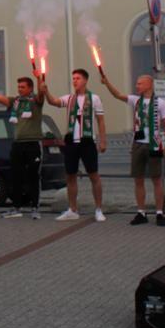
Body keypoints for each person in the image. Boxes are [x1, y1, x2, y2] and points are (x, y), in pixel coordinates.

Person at [99, 69, 165, 226]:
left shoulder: (160, 102)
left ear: (149, 84)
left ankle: (159, 213)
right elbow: (118, 95)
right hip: (138, 144)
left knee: (157, 179)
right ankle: (141, 212)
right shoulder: (135, 100)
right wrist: (107, 84)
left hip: (154, 142)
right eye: (137, 83)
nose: (137, 85)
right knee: (138, 179)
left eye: (140, 83)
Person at [0, 74, 46, 219]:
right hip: (18, 144)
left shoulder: (36, 101)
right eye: (18, 87)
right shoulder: (15, 102)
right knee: (16, 177)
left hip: (32, 143)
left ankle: (35, 208)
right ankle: (17, 207)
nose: (19, 89)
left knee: (33, 177)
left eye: (23, 87)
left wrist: (39, 79)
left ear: (30, 88)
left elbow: (42, 92)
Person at [40, 69, 107, 222]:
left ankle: (98, 209)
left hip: (87, 140)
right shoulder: (69, 98)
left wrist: (103, 141)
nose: (74, 81)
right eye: (73, 78)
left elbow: (100, 121)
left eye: (78, 78)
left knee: (93, 175)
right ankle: (72, 209)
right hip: (71, 141)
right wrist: (46, 91)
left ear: (85, 80)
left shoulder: (94, 98)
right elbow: (53, 102)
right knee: (70, 175)